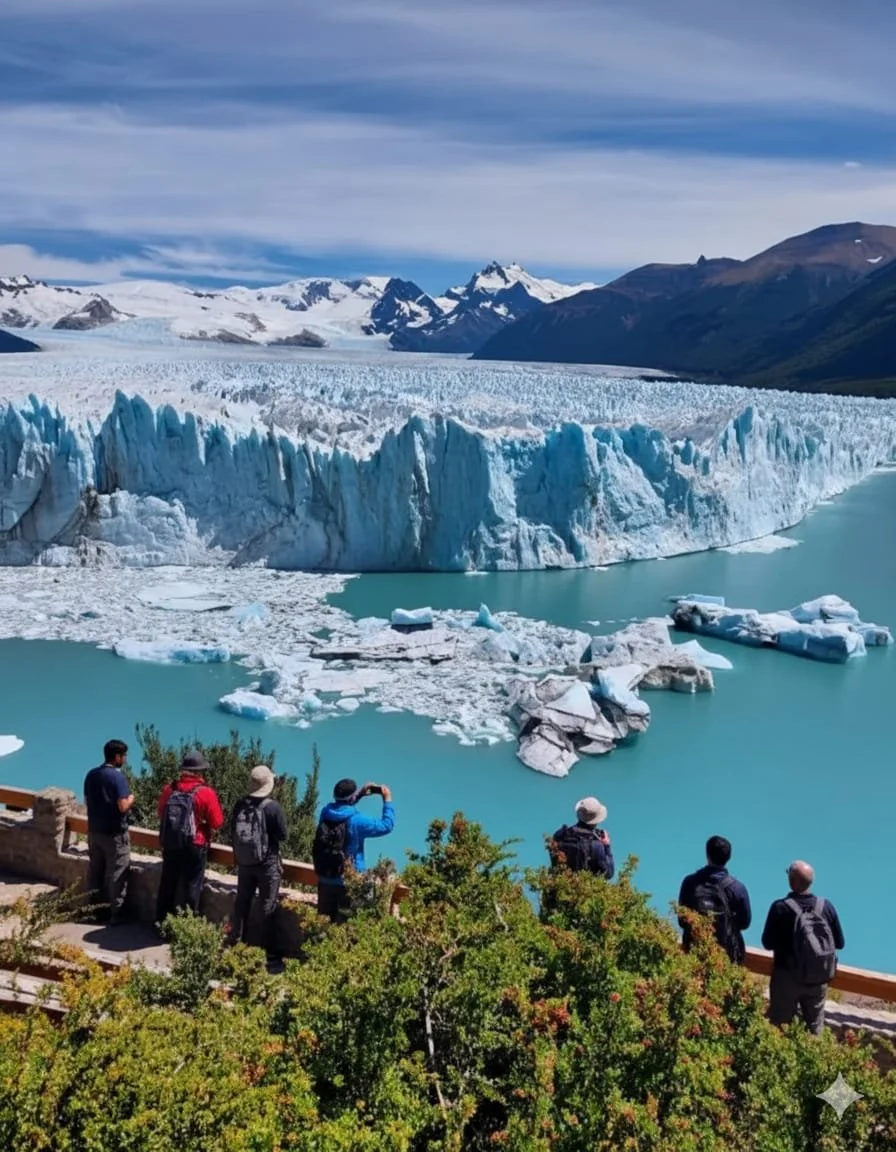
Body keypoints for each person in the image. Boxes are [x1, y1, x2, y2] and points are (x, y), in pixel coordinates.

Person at [761, 860, 845, 1035]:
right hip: (818, 978)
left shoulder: (780, 908)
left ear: (791, 881)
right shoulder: (826, 907)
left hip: (786, 978)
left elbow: (767, 943)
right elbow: (840, 943)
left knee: (779, 1028)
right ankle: (813, 1061)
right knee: (815, 1030)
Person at [155, 751, 224, 926]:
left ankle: (161, 923)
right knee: (192, 885)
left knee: (167, 882)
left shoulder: (170, 789)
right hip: (195, 844)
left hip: (171, 843)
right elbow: (217, 822)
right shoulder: (205, 792)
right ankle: (186, 926)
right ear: (200, 772)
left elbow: (160, 813)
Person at [229, 764, 288, 966]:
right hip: (267, 863)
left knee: (242, 903)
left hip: (244, 862)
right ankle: (268, 953)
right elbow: (283, 835)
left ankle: (236, 944)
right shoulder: (273, 807)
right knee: (267, 906)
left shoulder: (239, 805)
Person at [313, 778, 395, 921]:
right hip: (349, 882)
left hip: (325, 878)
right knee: (345, 927)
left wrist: (360, 795)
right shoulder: (358, 821)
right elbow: (386, 825)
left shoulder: (325, 813)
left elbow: (341, 809)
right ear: (351, 797)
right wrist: (387, 800)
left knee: (323, 924)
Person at [83, 739, 135, 924]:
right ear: (117, 757)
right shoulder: (117, 777)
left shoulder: (91, 775)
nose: (126, 759)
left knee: (95, 871)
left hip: (94, 832)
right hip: (115, 834)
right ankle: (117, 914)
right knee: (117, 873)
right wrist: (131, 798)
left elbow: (87, 802)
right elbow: (122, 806)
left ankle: (93, 911)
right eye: (124, 756)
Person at [678, 835, 751, 963]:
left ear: (707, 854)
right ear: (728, 857)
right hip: (725, 958)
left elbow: (682, 920)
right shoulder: (737, 888)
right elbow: (745, 923)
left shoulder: (690, 882)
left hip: (695, 956)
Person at [548, 797, 614, 878]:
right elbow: (608, 874)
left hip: (561, 884)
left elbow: (553, 857)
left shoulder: (560, 834)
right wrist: (607, 846)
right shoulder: (597, 846)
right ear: (596, 820)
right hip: (585, 888)